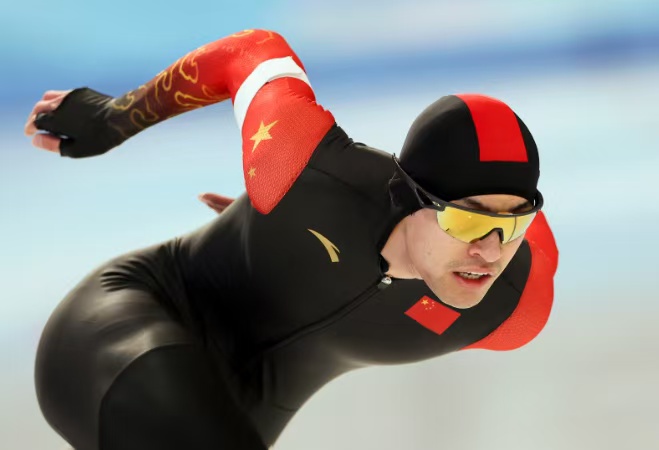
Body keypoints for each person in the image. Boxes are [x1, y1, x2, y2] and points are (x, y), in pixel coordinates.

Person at [24, 29, 558, 450]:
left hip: (238, 414)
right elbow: (252, 50)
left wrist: (280, 232)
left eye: (514, 224)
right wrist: (115, 119)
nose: (490, 251)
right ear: (406, 197)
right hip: (123, 334)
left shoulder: (515, 305)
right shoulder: (305, 171)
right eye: (466, 221)